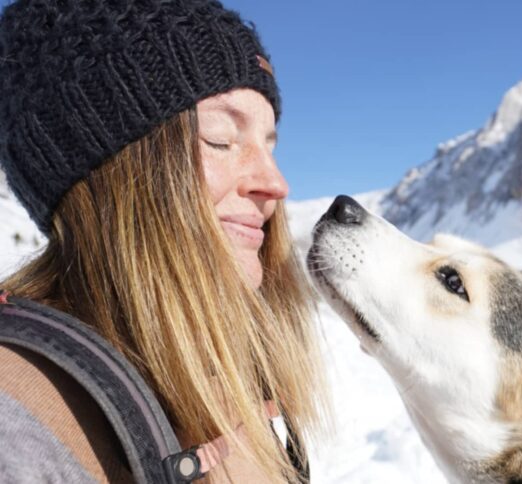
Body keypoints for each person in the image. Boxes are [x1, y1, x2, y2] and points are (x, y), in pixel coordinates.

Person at [0, 0, 329, 482]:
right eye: (220, 138)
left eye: (270, 144)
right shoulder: (18, 429)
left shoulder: (243, 384)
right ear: (114, 171)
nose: (276, 184)